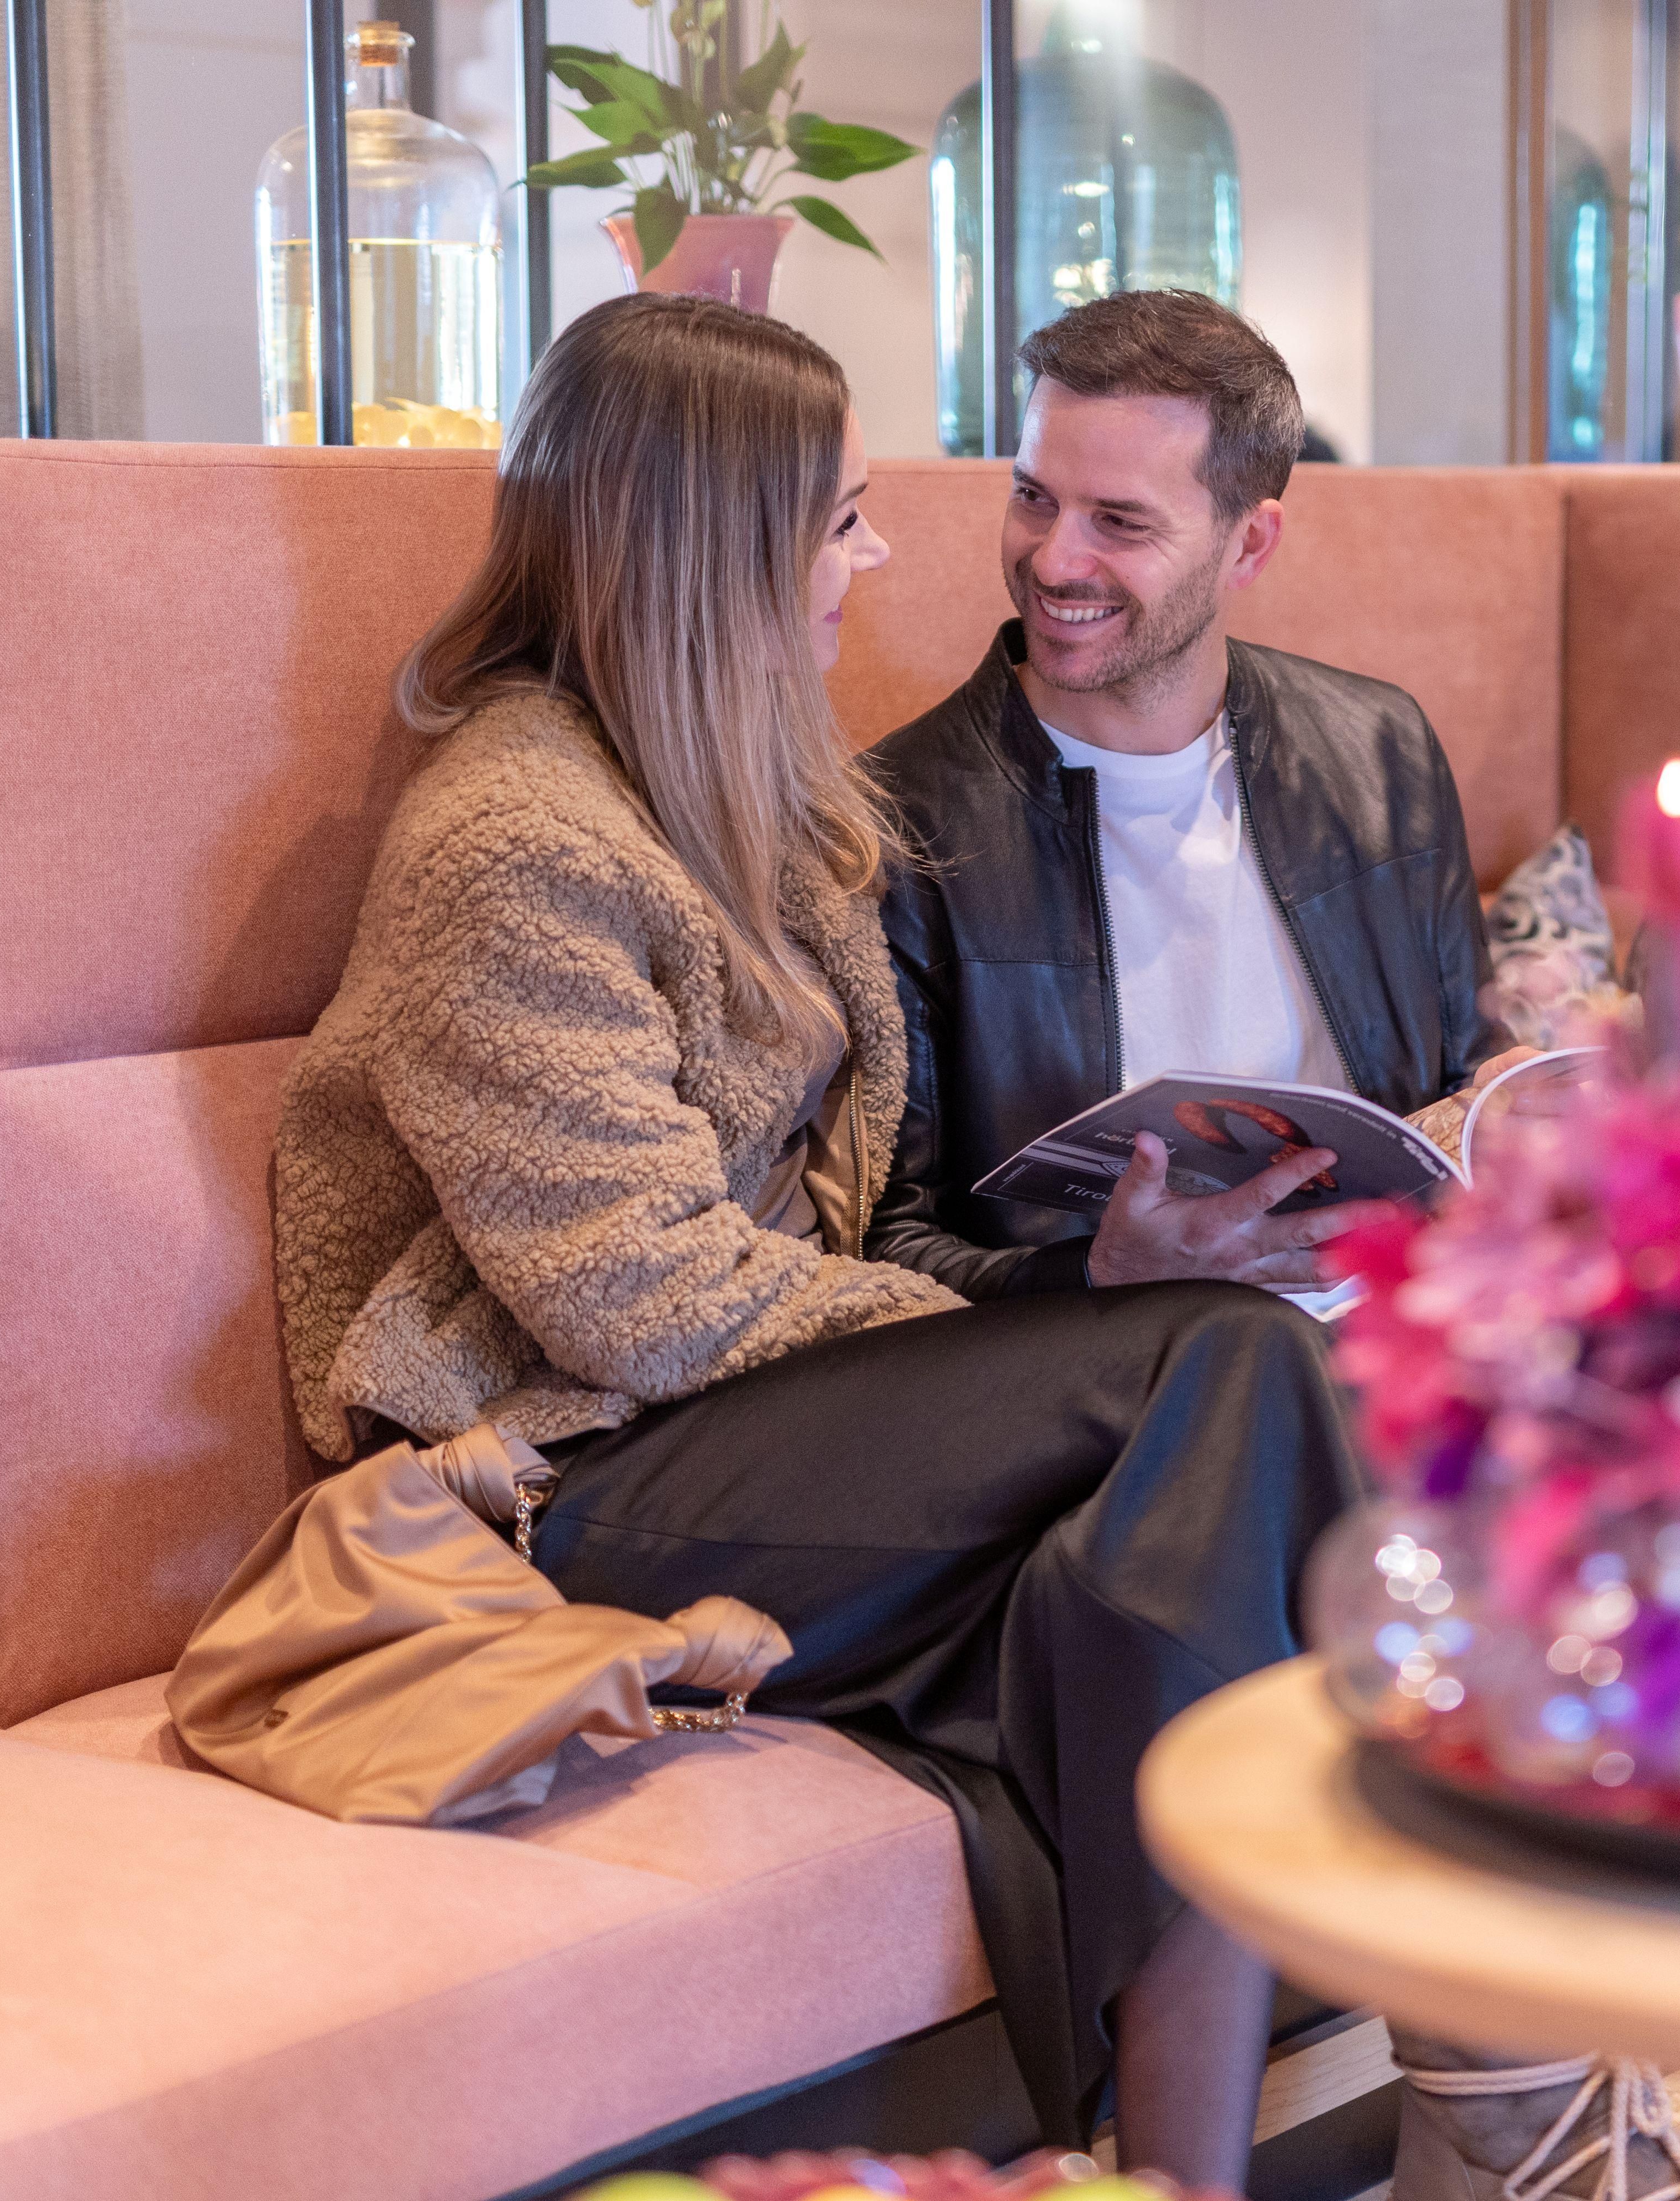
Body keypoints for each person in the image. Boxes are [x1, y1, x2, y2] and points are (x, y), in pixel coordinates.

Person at [266, 293, 1359, 2181]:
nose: (884, 556)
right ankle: (1458, 2096)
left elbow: (844, 1223)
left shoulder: (764, 803)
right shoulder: (508, 841)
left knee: (1149, 1549)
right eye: (843, 517)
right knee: (1240, 1367)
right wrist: (1047, 1333)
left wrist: (1070, 1287)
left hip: (763, 1430)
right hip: (571, 1475)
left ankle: (1197, 2168)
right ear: (721, 550)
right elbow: (642, 1296)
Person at [867, 288, 1511, 1302]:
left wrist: (1519, 1116)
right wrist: (1100, 1272)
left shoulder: (1380, 749)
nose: (1053, 558)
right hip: (1121, 1381)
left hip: (1401, 1342)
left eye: (1118, 521)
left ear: (1249, 545)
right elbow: (880, 1248)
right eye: (1035, 497)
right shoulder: (894, 823)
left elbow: (1470, 1077)